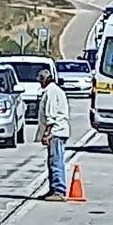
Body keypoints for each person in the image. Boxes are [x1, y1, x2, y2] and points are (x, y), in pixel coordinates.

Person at [36, 69, 70, 202]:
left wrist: (47, 134)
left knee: (56, 161)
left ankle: (59, 190)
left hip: (56, 132)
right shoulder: (55, 90)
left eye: (41, 81)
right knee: (53, 161)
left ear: (45, 80)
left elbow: (51, 115)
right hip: (58, 131)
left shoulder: (51, 92)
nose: (40, 84)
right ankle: (53, 189)